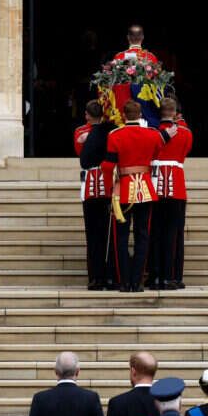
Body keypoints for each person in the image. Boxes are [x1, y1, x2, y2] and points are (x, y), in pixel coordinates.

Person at [101, 100, 177, 292]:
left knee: (121, 238)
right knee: (143, 237)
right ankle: (137, 281)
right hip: (145, 189)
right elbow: (158, 149)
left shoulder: (115, 135)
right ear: (141, 114)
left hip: (124, 189)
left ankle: (125, 281)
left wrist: (110, 189)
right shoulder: (151, 134)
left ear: (124, 116)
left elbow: (108, 166)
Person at [150, 97, 192, 290]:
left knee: (155, 231)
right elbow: (184, 152)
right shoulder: (185, 132)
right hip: (176, 185)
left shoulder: (152, 132)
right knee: (173, 233)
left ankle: (155, 274)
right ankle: (171, 275)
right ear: (175, 113)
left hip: (155, 185)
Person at [76, 100, 115, 290]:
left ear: (87, 115)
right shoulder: (110, 132)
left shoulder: (86, 134)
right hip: (106, 186)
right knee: (104, 233)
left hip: (94, 188)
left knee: (95, 235)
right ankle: (104, 275)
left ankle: (98, 276)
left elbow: (83, 159)